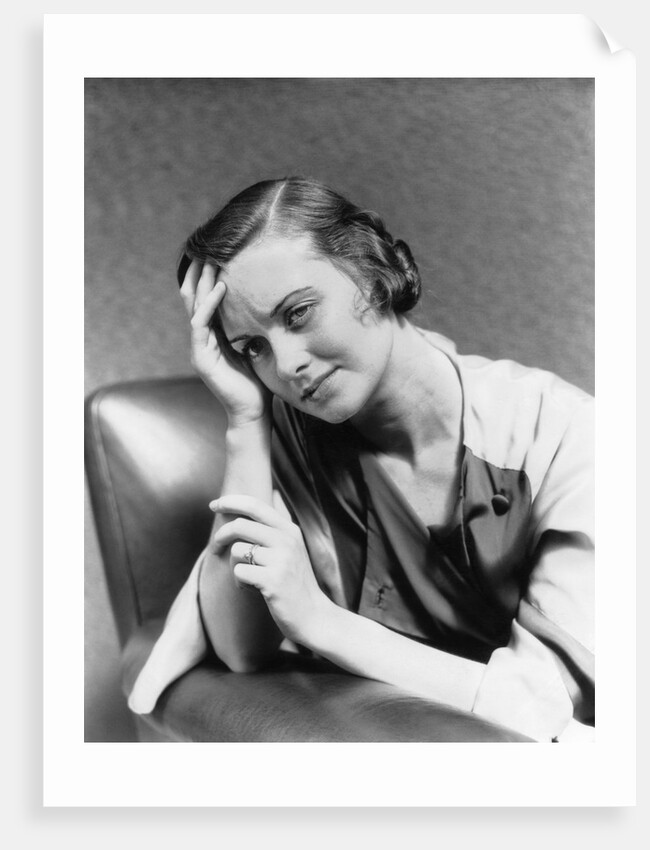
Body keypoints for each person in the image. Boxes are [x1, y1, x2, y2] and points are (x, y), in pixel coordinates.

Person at [128, 177, 594, 742]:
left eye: (298, 313)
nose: (288, 365)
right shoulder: (294, 438)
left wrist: (321, 622)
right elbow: (239, 650)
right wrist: (245, 421)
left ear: (373, 273)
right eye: (253, 346)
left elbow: (550, 708)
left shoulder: (571, 437)